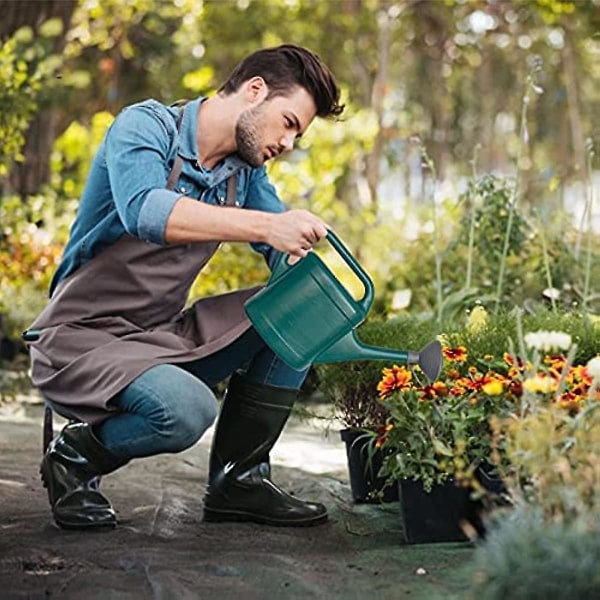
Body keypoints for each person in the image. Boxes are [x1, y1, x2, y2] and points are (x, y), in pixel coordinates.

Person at [25, 44, 344, 531]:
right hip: (81, 338)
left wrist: (310, 278)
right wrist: (262, 227)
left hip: (157, 336)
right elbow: (146, 212)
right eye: (289, 122)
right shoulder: (145, 128)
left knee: (297, 313)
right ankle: (75, 456)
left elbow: (281, 242)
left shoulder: (245, 174)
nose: (289, 142)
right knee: (185, 410)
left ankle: (238, 482)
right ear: (254, 90)